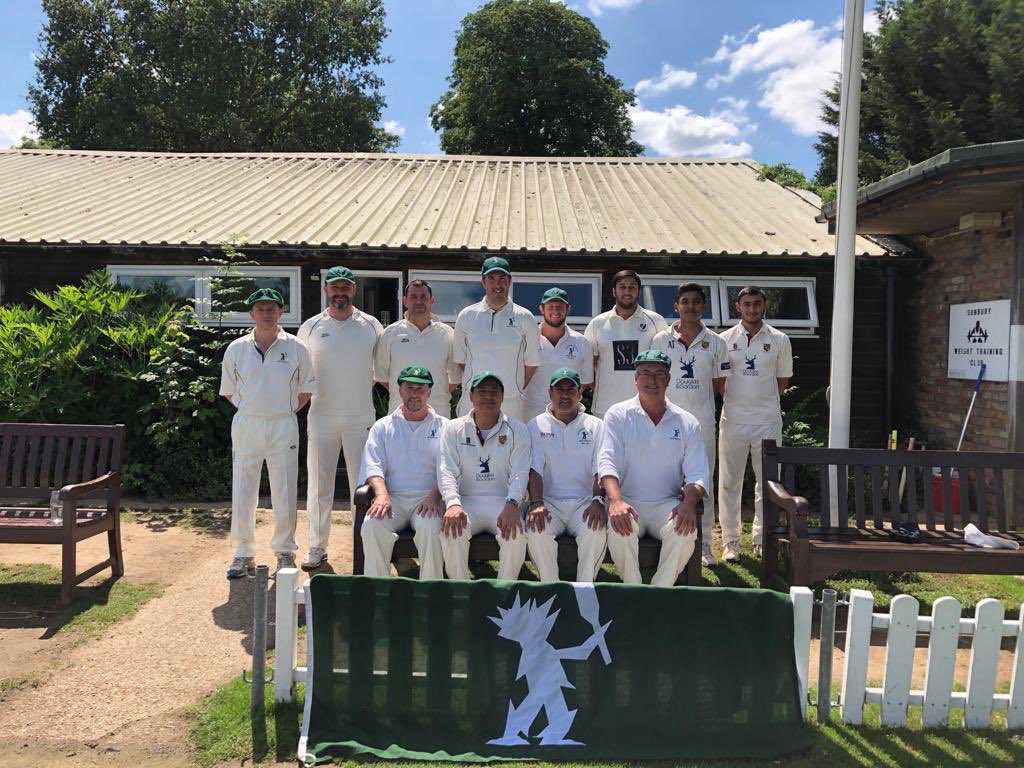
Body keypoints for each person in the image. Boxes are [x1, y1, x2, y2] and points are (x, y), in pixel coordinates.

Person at [219, 288, 316, 579]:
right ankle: (243, 551)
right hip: (247, 423)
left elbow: (306, 389)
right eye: (260, 309)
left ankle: (285, 550)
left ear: (280, 312)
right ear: (251, 314)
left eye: (271, 308)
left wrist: (283, 411)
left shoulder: (296, 347)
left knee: (284, 488)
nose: (266, 313)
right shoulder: (236, 348)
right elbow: (229, 391)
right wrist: (252, 408)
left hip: (282, 424)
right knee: (243, 488)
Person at [597, 349, 709, 587]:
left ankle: (659, 591)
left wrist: (688, 504)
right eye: (645, 374)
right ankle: (633, 589)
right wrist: (616, 501)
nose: (652, 381)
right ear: (635, 379)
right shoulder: (617, 415)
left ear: (668, 379)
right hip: (627, 500)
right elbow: (607, 462)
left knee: (686, 531)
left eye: (659, 374)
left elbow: (698, 474)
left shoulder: (687, 421)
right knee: (620, 529)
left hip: (666, 503)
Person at [297, 266, 383, 571]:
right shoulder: (309, 327)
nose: (340, 292)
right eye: (335, 287)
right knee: (319, 486)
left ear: (354, 290)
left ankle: (367, 543)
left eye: (346, 287)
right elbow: (301, 373)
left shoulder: (372, 326)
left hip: (361, 416)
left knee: (365, 484)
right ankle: (317, 546)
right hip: (321, 416)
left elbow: (383, 368)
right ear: (325, 290)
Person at [651, 283, 730, 567]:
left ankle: (705, 545)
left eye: (697, 302)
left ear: (703, 307)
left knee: (701, 483)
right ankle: (667, 539)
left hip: (703, 423)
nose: (691, 307)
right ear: (676, 306)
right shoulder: (660, 339)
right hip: (666, 422)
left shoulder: (717, 343)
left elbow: (720, 385)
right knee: (666, 482)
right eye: (685, 302)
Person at [718, 286, 793, 561]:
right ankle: (730, 541)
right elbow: (720, 383)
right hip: (734, 420)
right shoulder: (723, 340)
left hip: (767, 421)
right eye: (746, 304)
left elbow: (781, 382)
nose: (752, 309)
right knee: (729, 483)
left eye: (756, 304)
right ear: (738, 308)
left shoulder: (779, 339)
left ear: (765, 305)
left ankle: (763, 538)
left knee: (768, 482)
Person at [438, 371, 531, 580]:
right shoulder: (453, 428)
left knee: (515, 534)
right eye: (482, 391)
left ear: (502, 396)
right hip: (465, 502)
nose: (488, 397)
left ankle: (504, 597)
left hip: (503, 502)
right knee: (451, 532)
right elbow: (446, 470)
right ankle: (459, 593)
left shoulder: (518, 430)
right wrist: (452, 503)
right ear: (470, 395)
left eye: (494, 392)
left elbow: (520, 471)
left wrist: (512, 504)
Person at [358, 366, 447, 579]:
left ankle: (430, 592)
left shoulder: (445, 427)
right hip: (392, 498)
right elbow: (373, 465)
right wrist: (381, 495)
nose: (415, 393)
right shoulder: (383, 426)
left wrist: (434, 496)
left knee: (431, 527)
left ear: (429, 392)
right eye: (409, 387)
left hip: (428, 499)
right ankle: (378, 592)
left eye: (420, 388)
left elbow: (449, 467)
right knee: (372, 525)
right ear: (400, 390)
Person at [525, 368, 606, 582]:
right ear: (550, 393)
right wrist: (536, 503)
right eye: (559, 389)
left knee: (596, 531)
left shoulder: (596, 425)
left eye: (571, 389)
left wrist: (598, 500)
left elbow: (601, 467)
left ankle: (584, 590)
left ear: (580, 393)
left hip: (585, 503)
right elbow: (534, 469)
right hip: (549, 503)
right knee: (537, 530)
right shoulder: (535, 424)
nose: (565, 395)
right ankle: (551, 590)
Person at [453, 257, 540, 422]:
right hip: (472, 401)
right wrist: (480, 390)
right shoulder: (467, 316)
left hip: (510, 403)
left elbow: (531, 364)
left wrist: (512, 389)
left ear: (510, 281)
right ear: (483, 282)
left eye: (502, 278)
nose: (497, 285)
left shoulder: (525, 318)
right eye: (491, 279)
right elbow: (462, 362)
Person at [584, 269, 668, 416]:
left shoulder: (657, 321)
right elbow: (588, 364)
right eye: (622, 287)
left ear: (639, 291)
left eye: (632, 287)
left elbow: (665, 364)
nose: (627, 291)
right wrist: (601, 388)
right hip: (605, 408)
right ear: (614, 291)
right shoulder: (597, 324)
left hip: (646, 409)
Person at [375, 279, 458, 416]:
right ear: (405, 301)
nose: (419, 301)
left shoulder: (447, 333)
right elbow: (381, 375)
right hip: (400, 411)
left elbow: (456, 377)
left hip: (438, 412)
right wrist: (408, 396)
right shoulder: (390, 333)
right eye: (413, 297)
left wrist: (435, 394)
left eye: (423, 297)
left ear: (432, 301)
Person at [520, 287, 594, 422]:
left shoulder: (582, 342)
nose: (555, 310)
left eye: (560, 306)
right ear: (541, 309)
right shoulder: (527, 340)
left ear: (568, 309)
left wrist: (565, 403)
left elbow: (584, 383)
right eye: (551, 306)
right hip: (531, 412)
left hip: (568, 413)